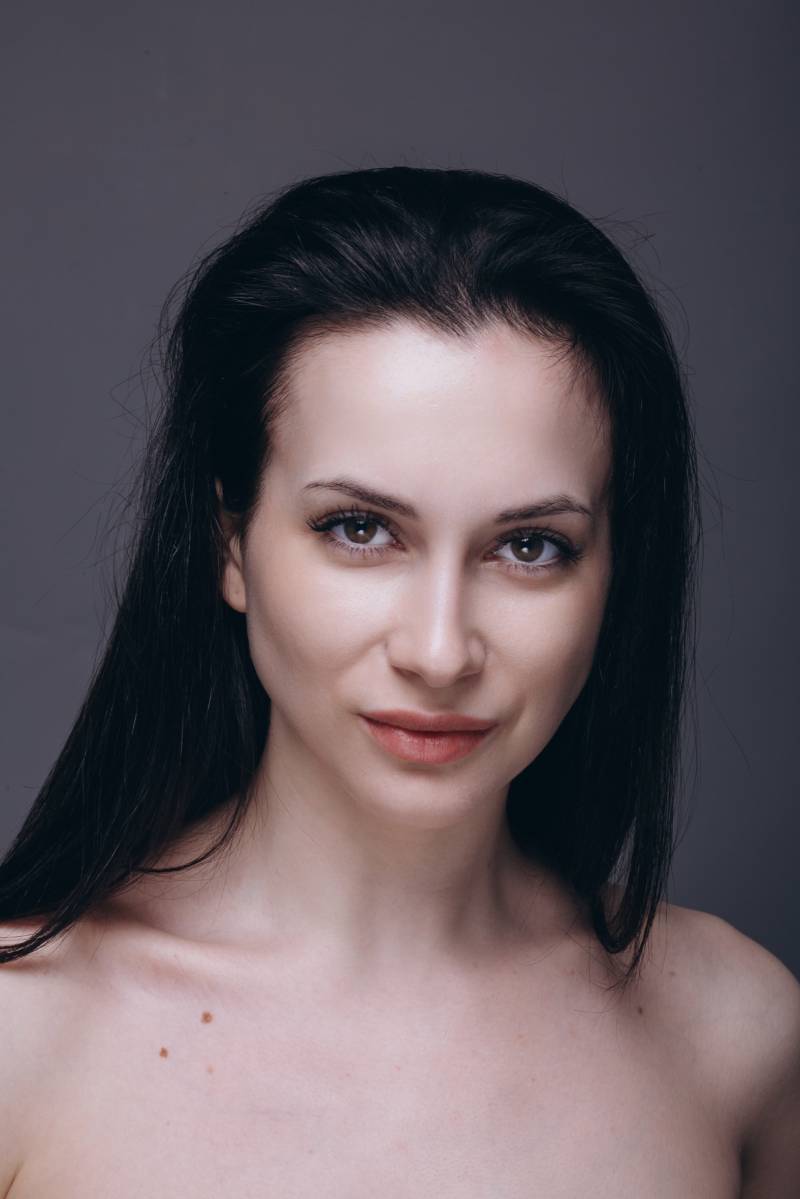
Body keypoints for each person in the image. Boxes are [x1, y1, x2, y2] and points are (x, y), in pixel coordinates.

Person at [0, 166, 797, 1196]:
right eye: (359, 528)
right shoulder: (23, 1032)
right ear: (231, 543)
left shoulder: (736, 1039)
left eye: (529, 545)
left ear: (615, 573)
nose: (438, 650)